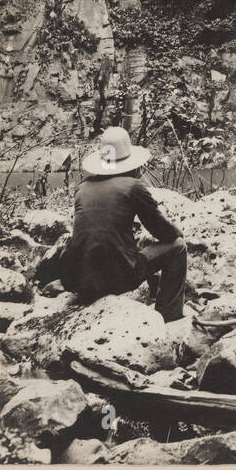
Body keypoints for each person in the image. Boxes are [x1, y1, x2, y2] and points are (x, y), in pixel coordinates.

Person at [55, 126, 187, 323]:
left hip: (78, 279)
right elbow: (163, 232)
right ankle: (169, 316)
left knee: (133, 247)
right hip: (117, 279)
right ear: (132, 164)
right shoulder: (133, 187)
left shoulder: (82, 188)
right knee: (178, 248)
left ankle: (147, 294)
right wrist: (178, 231)